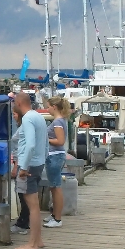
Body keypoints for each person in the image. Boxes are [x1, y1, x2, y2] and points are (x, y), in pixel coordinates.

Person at [13, 92, 47, 249]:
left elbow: (31, 145)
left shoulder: (27, 119)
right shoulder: (38, 116)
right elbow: (45, 141)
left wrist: (24, 167)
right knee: (35, 205)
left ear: (19, 103)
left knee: (32, 206)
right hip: (38, 163)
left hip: (29, 166)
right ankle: (38, 240)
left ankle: (32, 244)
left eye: (14, 101)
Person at [43, 96, 71, 229]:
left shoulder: (57, 123)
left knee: (56, 186)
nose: (47, 109)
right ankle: (54, 214)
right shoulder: (60, 121)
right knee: (53, 186)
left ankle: (58, 218)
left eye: (48, 106)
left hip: (55, 155)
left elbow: (60, 141)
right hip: (55, 156)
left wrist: (45, 139)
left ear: (54, 107)